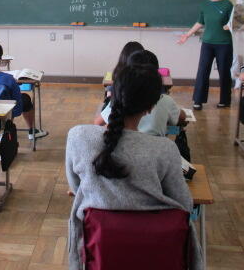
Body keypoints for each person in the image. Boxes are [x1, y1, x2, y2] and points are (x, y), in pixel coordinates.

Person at [66, 64, 202, 270]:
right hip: (155, 255)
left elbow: (76, 188)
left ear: (112, 96)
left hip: (100, 252)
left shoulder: (79, 136)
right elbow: (184, 204)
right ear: (151, 107)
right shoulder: (165, 149)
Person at [94, 50, 185, 137]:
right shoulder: (165, 100)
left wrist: (109, 129)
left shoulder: (120, 98)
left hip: (121, 139)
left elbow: (97, 123)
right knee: (176, 129)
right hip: (155, 142)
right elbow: (181, 118)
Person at [178, 0, 233, 110]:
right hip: (207, 43)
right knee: (202, 71)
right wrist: (187, 35)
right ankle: (198, 100)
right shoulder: (204, 5)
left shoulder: (228, 5)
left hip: (224, 43)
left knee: (224, 72)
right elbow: (200, 22)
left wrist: (230, 25)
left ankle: (225, 100)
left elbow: (235, 21)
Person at [0, 40, 48, 140]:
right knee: (25, 98)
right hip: (3, 117)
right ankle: (32, 131)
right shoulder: (8, 79)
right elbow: (17, 109)